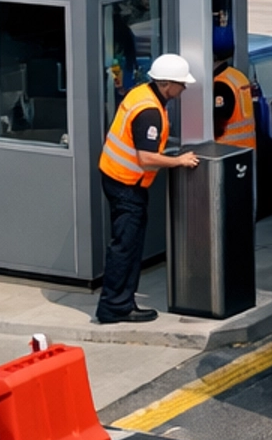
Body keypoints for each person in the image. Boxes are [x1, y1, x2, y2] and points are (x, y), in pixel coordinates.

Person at [95, 53, 199, 324]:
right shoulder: (150, 111)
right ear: (167, 84)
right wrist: (179, 161)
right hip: (126, 185)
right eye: (181, 84)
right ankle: (114, 307)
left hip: (118, 178)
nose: (183, 89)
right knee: (125, 246)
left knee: (128, 244)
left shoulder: (142, 93)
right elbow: (146, 157)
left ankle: (121, 302)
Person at [211, 27, 257, 149]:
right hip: (244, 150)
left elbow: (216, 123)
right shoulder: (237, 76)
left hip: (227, 150)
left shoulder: (221, 85)